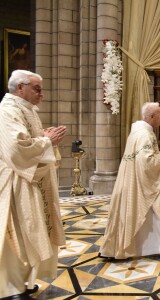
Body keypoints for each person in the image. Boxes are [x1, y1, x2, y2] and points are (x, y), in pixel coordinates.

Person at [0, 70, 67, 299]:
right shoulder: (8, 111)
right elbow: (17, 148)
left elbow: (32, 140)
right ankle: (11, 288)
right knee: (18, 232)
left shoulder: (27, 110)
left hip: (30, 179)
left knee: (32, 229)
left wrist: (46, 138)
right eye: (37, 89)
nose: (43, 94)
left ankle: (26, 283)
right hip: (15, 181)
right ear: (20, 88)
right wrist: (48, 140)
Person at [99, 102, 160, 259]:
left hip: (134, 180)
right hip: (143, 182)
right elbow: (146, 162)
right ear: (151, 116)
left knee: (146, 215)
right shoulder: (145, 135)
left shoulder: (137, 132)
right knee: (156, 211)